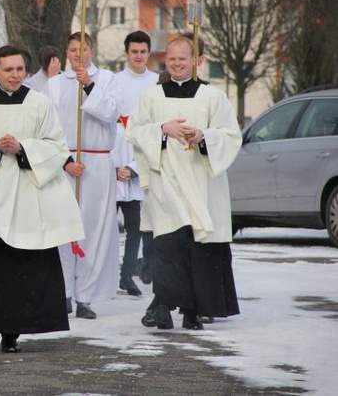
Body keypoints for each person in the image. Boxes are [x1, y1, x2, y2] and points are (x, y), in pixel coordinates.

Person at [0, 45, 84, 353]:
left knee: (22, 270)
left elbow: (56, 144)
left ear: (26, 71)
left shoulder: (40, 104)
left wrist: (23, 148)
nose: (14, 75)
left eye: (19, 69)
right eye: (7, 70)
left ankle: (12, 331)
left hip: (28, 195)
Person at [125, 36, 241, 331]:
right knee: (168, 247)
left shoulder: (212, 97)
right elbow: (134, 131)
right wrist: (162, 129)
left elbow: (230, 135)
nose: (177, 63)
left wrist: (205, 136)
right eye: (172, 58)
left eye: (183, 58)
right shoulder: (152, 97)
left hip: (201, 181)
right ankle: (163, 307)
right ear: (167, 60)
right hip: (166, 181)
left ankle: (194, 310)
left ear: (195, 61)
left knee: (198, 247)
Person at [46, 32, 121, 320]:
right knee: (64, 230)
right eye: (73, 49)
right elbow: (47, 127)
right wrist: (64, 160)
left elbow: (111, 112)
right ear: (67, 52)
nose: (78, 54)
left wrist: (89, 85)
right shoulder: (54, 84)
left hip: (97, 164)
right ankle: (63, 291)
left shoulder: (107, 80)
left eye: (84, 48)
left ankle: (86, 295)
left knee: (93, 231)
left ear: (91, 50)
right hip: (65, 163)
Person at [112, 31, 159, 295]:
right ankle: (105, 275)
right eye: (134, 52)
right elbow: (108, 124)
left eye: (143, 52)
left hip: (142, 156)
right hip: (115, 156)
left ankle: (129, 274)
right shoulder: (115, 81)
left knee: (139, 226)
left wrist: (134, 167)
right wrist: (116, 165)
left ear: (148, 53)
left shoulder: (155, 83)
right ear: (126, 53)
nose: (138, 56)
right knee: (108, 229)